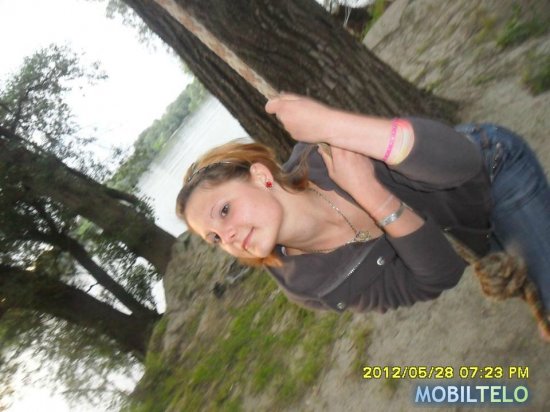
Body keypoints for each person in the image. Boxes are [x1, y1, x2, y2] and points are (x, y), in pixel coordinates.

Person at [176, 93, 550, 328]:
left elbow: (462, 162)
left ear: (260, 176)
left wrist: (333, 126)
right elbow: (440, 275)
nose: (227, 237)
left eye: (224, 211)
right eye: (214, 238)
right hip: (469, 232)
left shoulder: (326, 151)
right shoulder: (309, 285)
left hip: (493, 171)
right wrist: (373, 198)